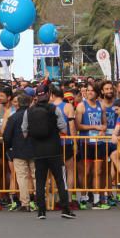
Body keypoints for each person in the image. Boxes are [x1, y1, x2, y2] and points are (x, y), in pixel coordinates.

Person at [27, 89, 75, 220]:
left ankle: (41, 211)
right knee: (60, 180)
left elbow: (24, 130)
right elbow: (63, 127)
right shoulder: (54, 109)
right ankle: (65, 208)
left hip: (38, 152)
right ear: (48, 96)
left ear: (37, 96)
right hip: (54, 151)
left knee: (40, 182)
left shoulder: (29, 111)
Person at [2, 93, 36, 211]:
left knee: (22, 177)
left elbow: (6, 136)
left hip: (18, 150)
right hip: (34, 149)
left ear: (18, 104)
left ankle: (25, 203)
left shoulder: (13, 117)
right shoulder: (34, 115)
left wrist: (9, 147)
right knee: (36, 176)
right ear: (29, 102)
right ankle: (40, 201)